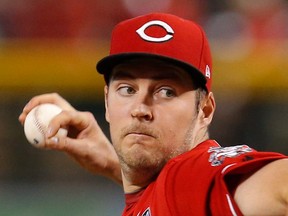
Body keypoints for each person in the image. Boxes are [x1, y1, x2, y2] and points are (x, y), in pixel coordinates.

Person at [19, 13, 288, 215]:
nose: (140, 109)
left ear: (205, 110)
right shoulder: (159, 194)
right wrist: (116, 166)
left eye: (166, 91)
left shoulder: (189, 177)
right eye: (127, 88)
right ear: (106, 101)